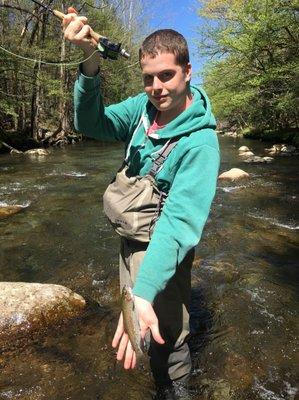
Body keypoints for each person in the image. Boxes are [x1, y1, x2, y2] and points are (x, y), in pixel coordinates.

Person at [63, 8, 220, 400]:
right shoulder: (143, 108)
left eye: (166, 75)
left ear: (187, 71)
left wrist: (144, 290)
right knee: (141, 328)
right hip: (130, 238)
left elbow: (180, 224)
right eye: (148, 78)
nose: (157, 87)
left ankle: (177, 389)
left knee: (168, 335)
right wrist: (89, 63)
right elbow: (91, 124)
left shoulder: (200, 144)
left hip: (162, 245)